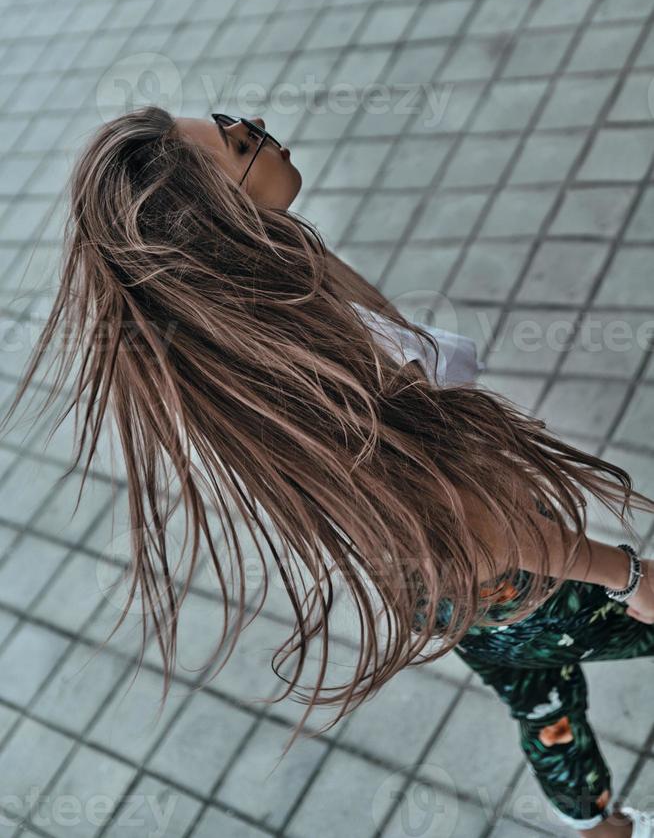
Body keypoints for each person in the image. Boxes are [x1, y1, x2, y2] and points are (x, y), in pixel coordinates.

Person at [3, 105, 654, 837]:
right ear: (223, 214)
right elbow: (482, 528)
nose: (260, 127)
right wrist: (627, 574)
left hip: (436, 592)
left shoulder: (270, 309)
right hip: (513, 578)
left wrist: (270, 229)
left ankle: (602, 828)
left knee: (539, 700)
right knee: (562, 665)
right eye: (241, 141)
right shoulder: (328, 372)